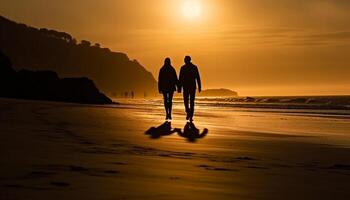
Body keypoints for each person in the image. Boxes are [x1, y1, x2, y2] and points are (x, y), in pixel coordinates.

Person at [178, 56, 201, 121]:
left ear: (188, 60)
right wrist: (179, 87)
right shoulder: (184, 68)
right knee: (189, 101)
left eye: (185, 60)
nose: (185, 61)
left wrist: (199, 86)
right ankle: (189, 113)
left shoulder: (193, 67)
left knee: (189, 101)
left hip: (189, 87)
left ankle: (190, 114)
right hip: (189, 87)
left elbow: (197, 77)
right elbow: (180, 78)